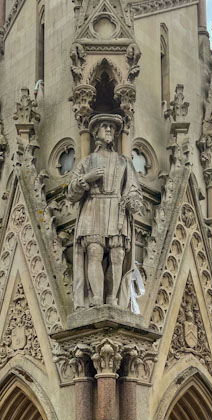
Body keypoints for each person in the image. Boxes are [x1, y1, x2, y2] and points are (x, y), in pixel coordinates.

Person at [67, 114, 142, 309]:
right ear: (95, 133)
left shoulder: (124, 162)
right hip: (94, 207)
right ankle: (96, 299)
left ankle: (112, 298)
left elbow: (133, 188)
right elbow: (71, 192)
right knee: (94, 252)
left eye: (111, 127)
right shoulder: (87, 162)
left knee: (117, 255)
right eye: (104, 126)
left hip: (116, 209)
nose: (109, 130)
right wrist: (88, 178)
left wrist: (132, 200)